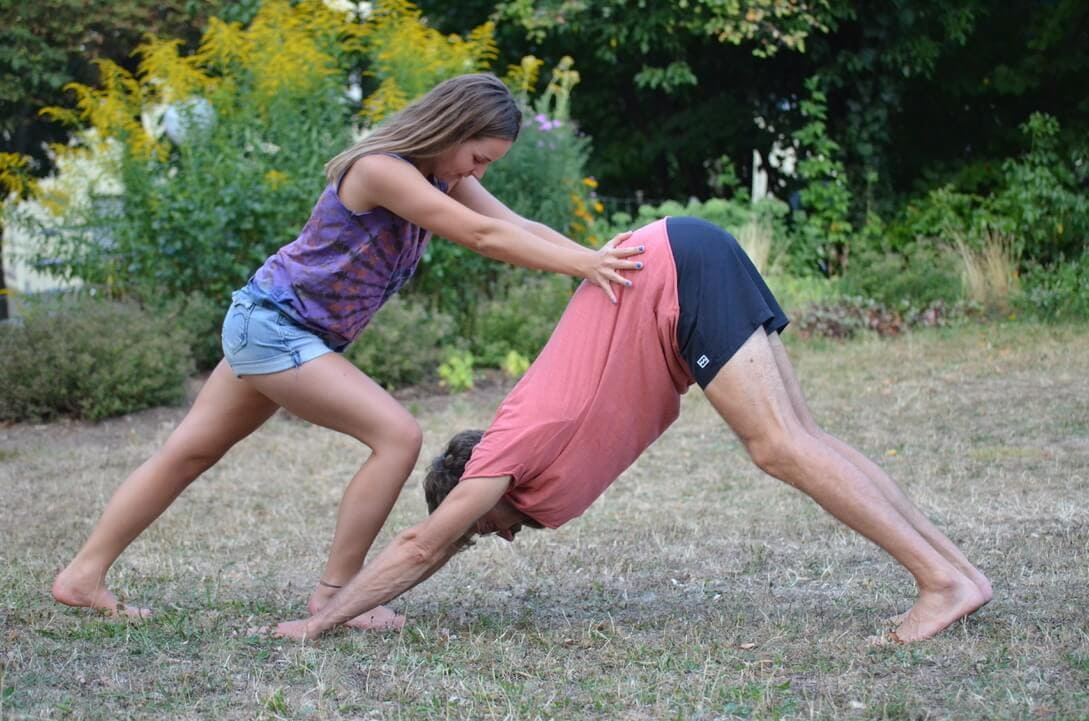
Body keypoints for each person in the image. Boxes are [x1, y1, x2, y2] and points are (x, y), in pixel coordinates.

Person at [50, 73, 643, 628]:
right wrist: (584, 265)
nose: (480, 173)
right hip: (275, 327)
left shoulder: (446, 177)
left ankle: (80, 576)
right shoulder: (380, 169)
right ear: (451, 129)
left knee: (188, 454)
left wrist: (599, 260)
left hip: (281, 327)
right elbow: (481, 236)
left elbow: (517, 226)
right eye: (479, 157)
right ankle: (338, 594)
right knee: (397, 436)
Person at [271, 216, 992, 643]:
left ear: (470, 482)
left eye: (486, 528)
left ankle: (937, 580)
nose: (505, 535)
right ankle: (956, 573)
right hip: (680, 257)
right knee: (802, 436)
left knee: (779, 446)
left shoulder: (503, 451)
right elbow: (441, 547)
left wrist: (322, 618)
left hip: (672, 272)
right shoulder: (518, 462)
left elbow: (422, 545)